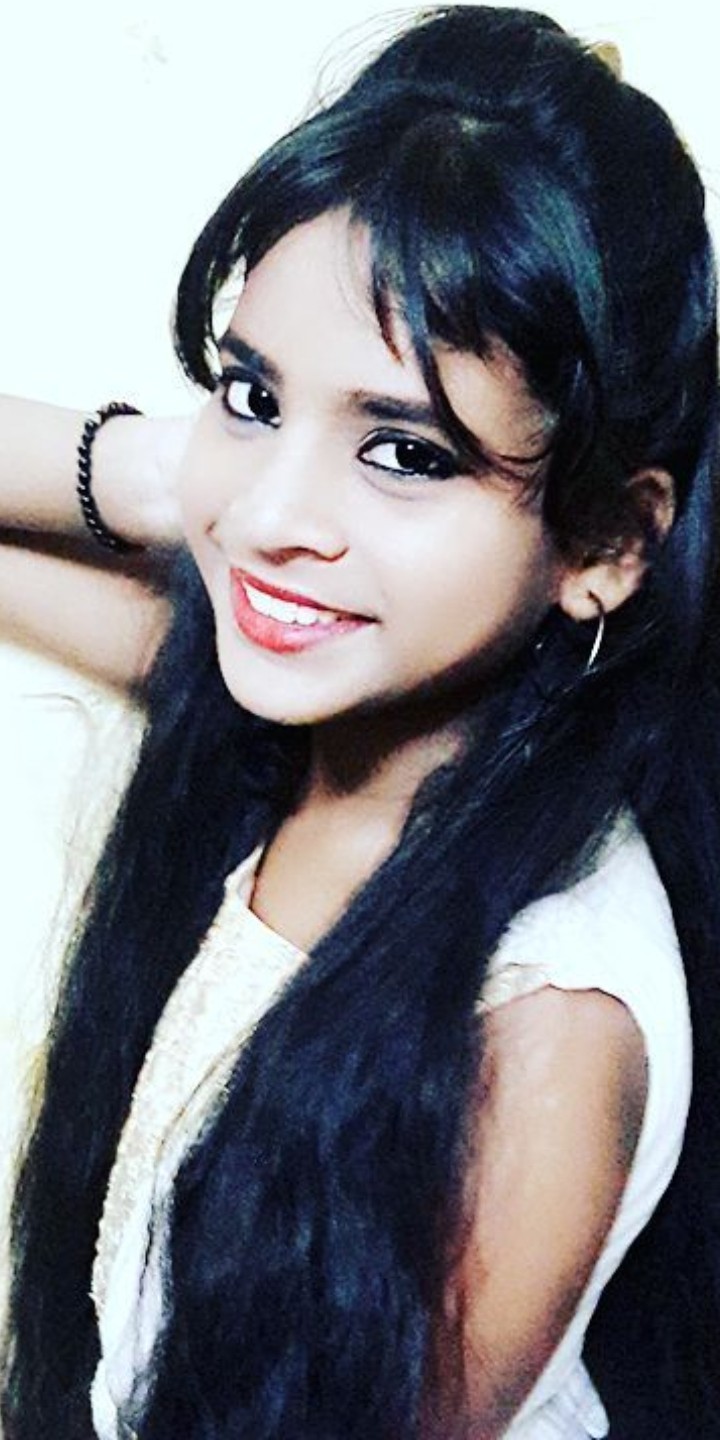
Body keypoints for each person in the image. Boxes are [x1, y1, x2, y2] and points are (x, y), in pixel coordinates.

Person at [1, 6, 719, 1437]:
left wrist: (256, 474)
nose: (277, 517)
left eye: (405, 451)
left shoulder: (549, 1025)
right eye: (252, 391)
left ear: (606, 544)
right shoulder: (291, 698)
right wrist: (175, 475)